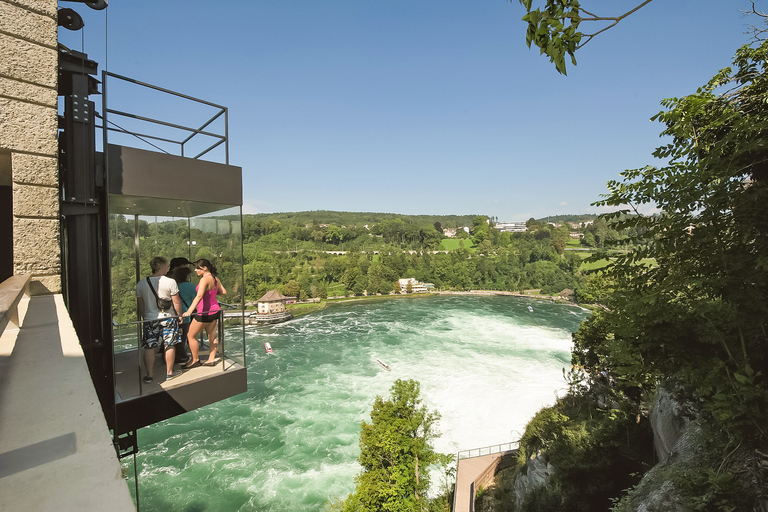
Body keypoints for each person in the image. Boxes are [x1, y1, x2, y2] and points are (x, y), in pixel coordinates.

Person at [135, 256, 183, 382]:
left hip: (150, 318)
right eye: (166, 266)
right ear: (161, 266)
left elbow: (141, 304)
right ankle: (169, 372)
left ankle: (149, 375)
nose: (168, 268)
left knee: (149, 347)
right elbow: (176, 301)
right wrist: (179, 315)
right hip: (169, 317)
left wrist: (144, 317)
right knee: (169, 344)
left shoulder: (141, 284)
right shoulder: (170, 282)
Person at [182, 258, 226, 367]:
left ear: (204, 268)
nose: (195, 271)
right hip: (215, 310)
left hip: (204, 312)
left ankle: (195, 360)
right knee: (211, 335)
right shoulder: (215, 279)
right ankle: (211, 359)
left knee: (190, 335)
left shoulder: (204, 279)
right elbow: (223, 292)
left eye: (198, 268)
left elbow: (199, 295)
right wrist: (212, 295)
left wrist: (189, 311)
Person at [170, 265, 195, 365]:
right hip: (184, 314)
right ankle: (181, 356)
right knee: (183, 336)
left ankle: (172, 356)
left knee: (173, 337)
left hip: (172, 314)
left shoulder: (174, 285)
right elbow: (197, 297)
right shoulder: (189, 286)